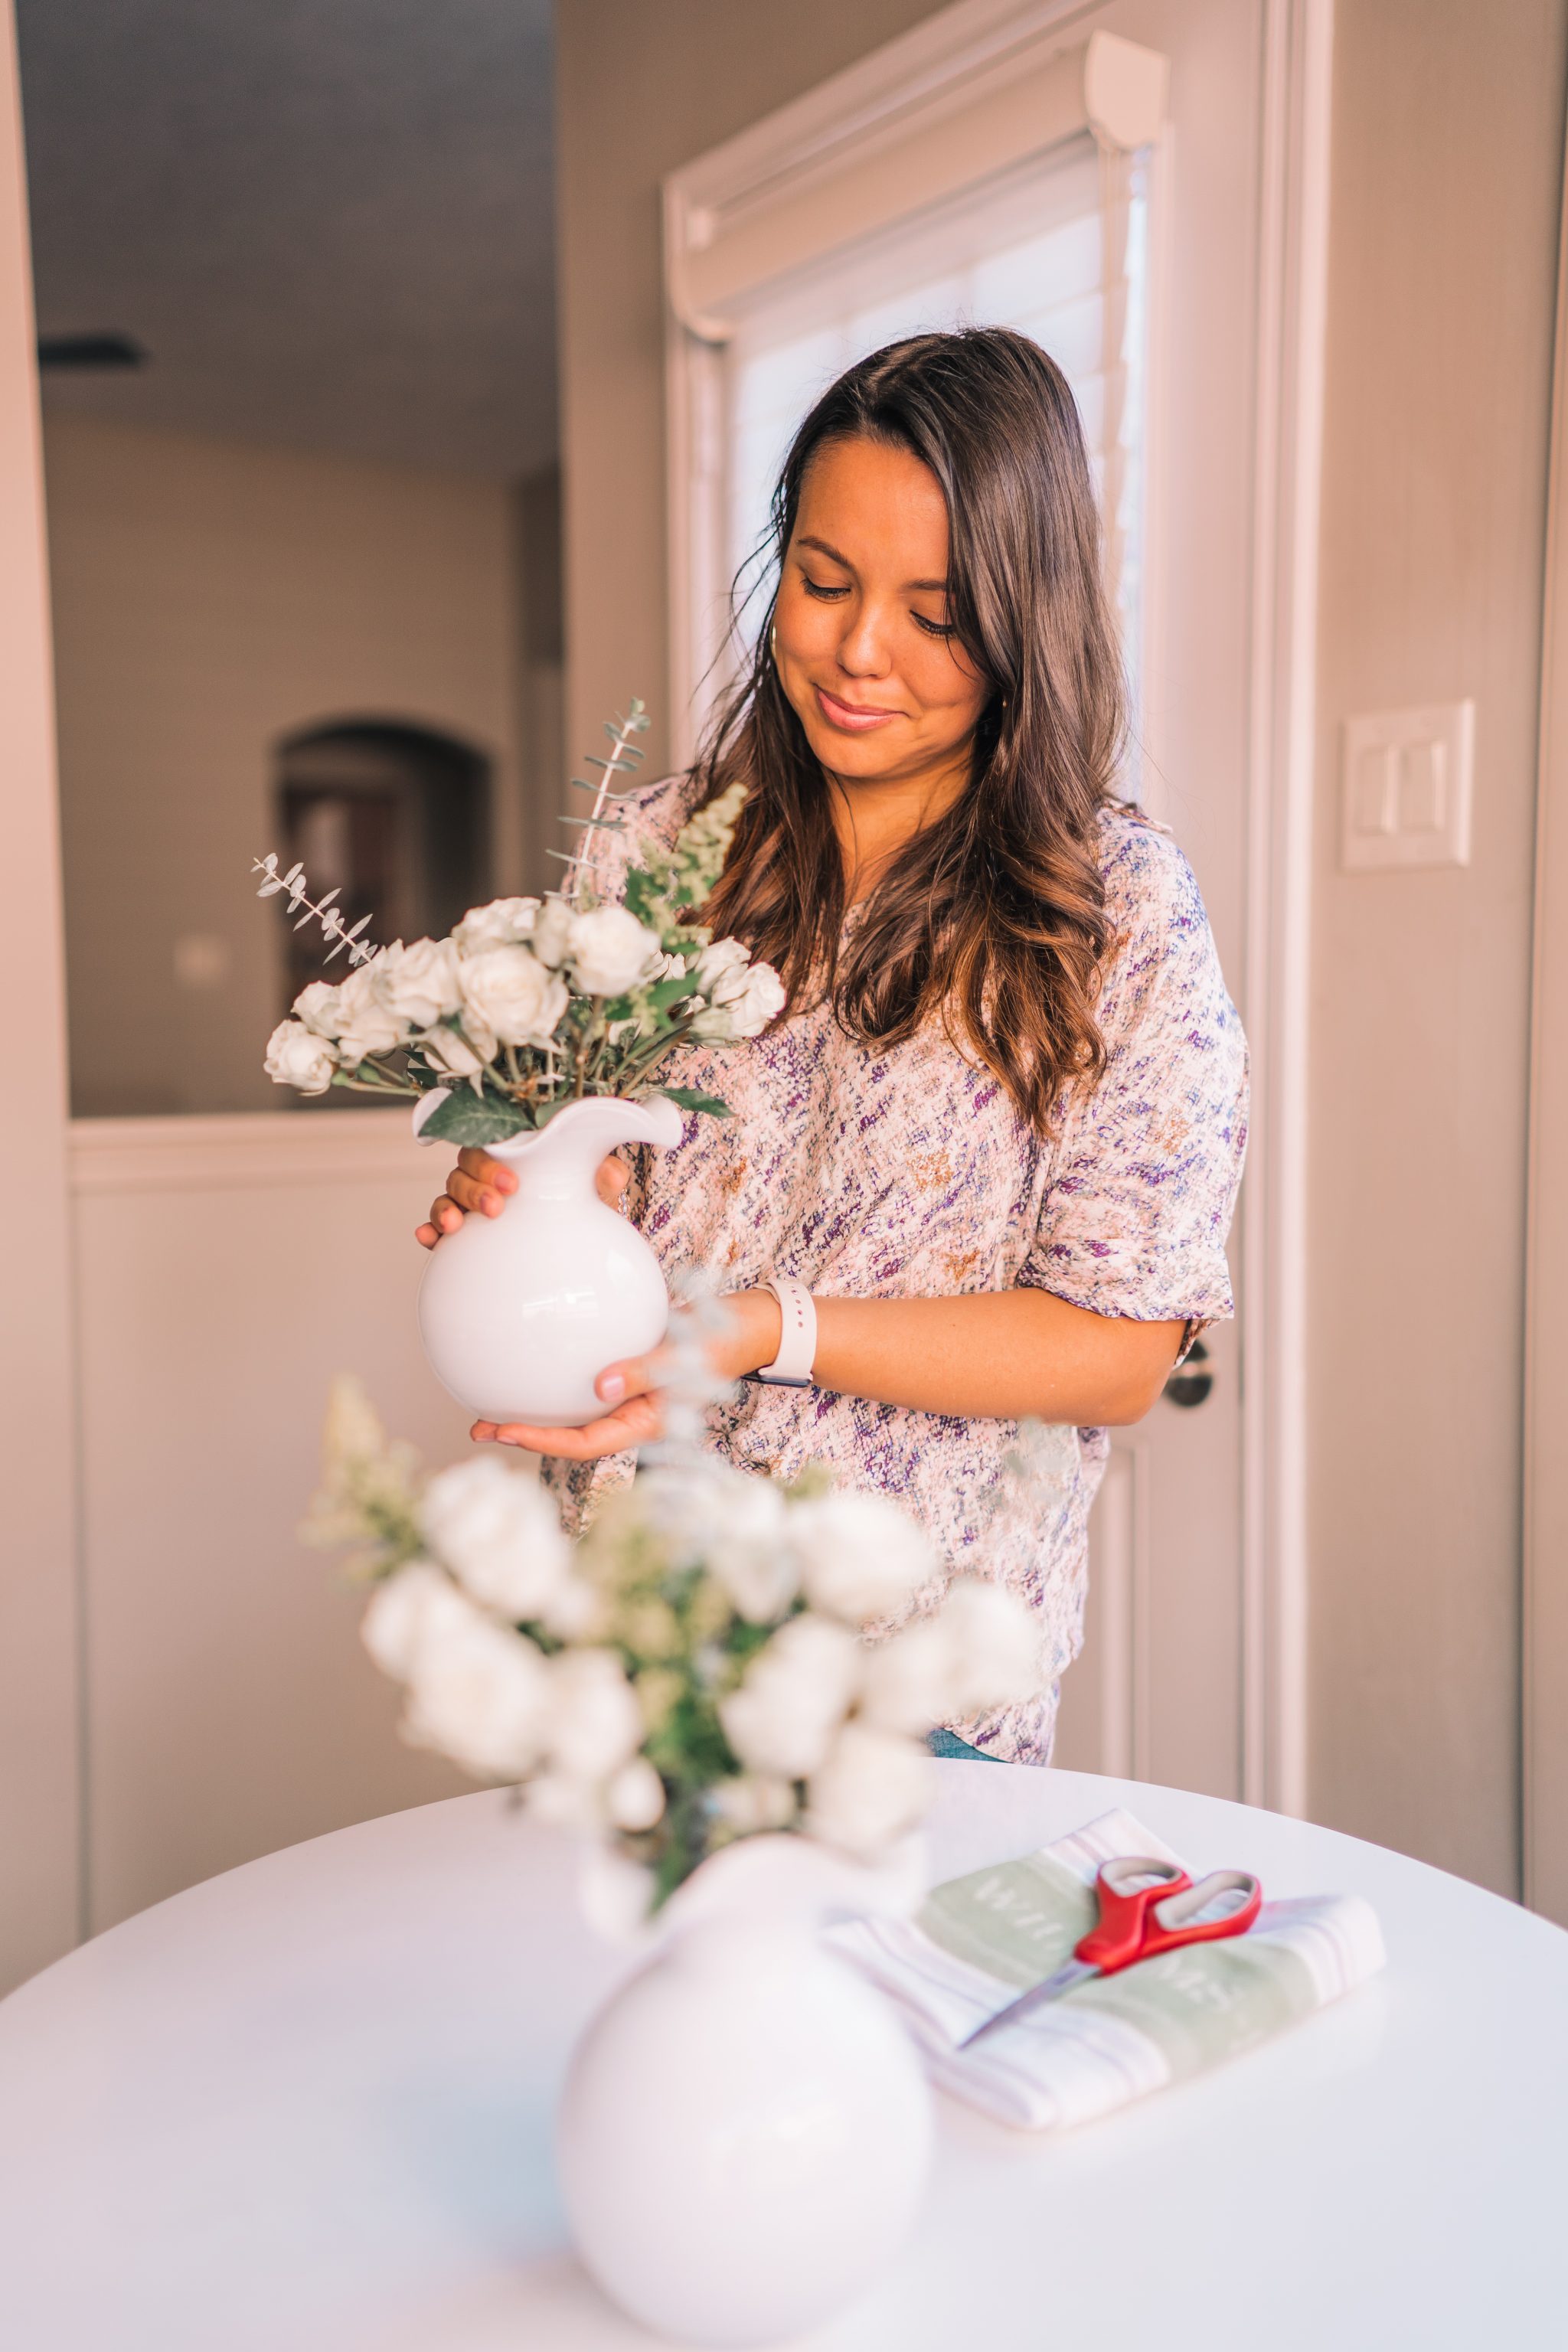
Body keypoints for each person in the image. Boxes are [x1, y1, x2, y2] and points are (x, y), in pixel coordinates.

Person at [416, 329, 1247, 1763]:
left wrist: (768, 1330)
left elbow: (1120, 1350)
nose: (860, 652)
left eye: (937, 613)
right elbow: (592, 1159)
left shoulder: (1117, 911)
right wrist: (533, 1191)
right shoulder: (657, 853)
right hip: (619, 1633)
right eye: (823, 582)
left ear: (1027, 621)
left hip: (911, 1697)